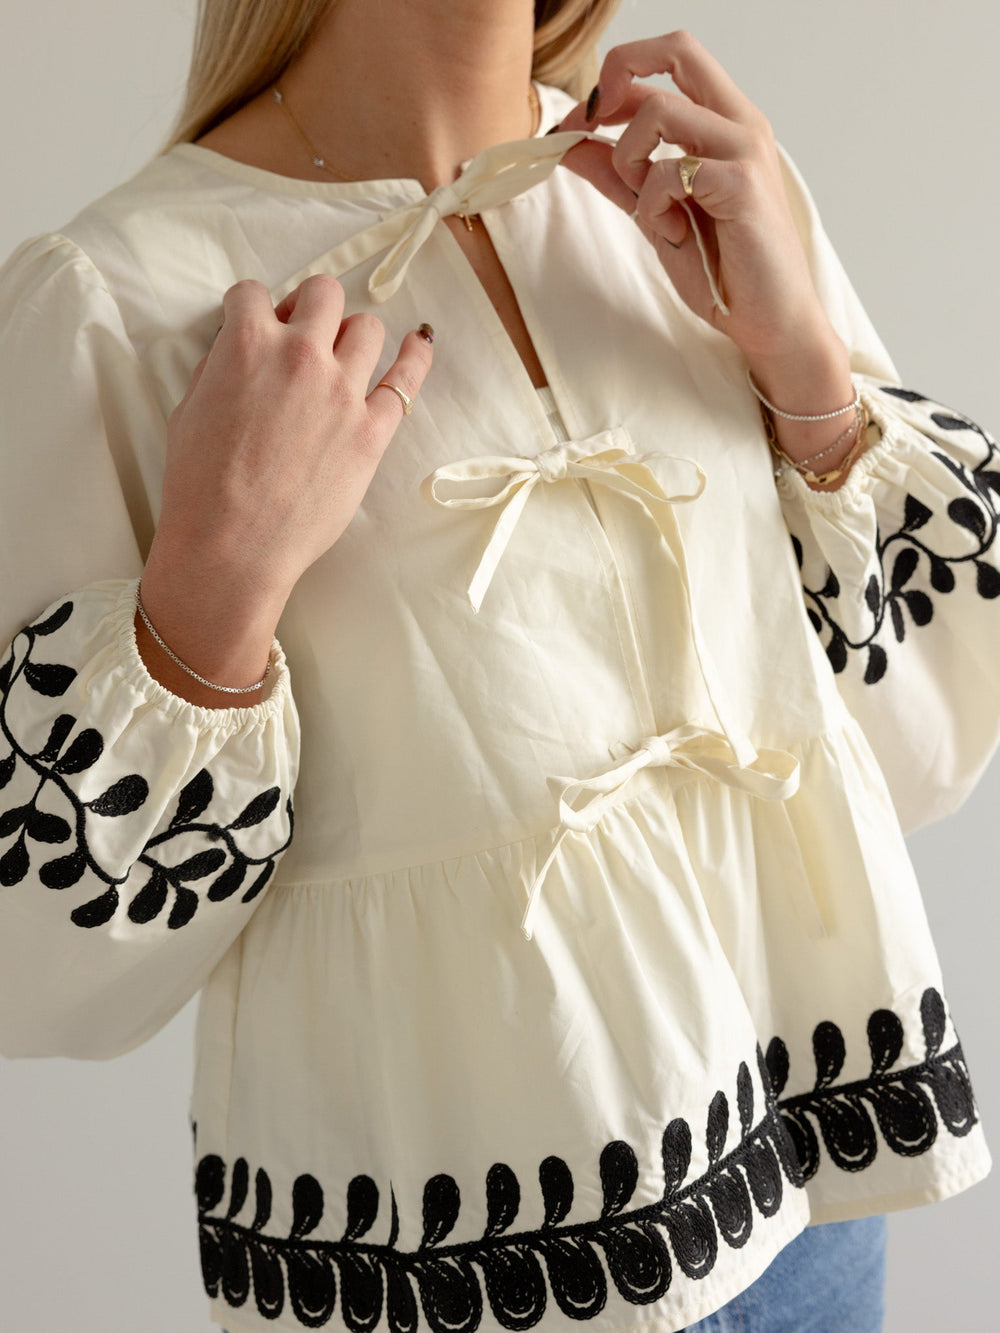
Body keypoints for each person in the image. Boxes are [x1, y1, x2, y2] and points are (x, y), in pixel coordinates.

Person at [0, 1, 995, 1330]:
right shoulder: (116, 300)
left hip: (806, 1186)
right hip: (462, 1256)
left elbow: (917, 731)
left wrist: (809, 381)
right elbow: (29, 959)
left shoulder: (690, 184)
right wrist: (210, 597)